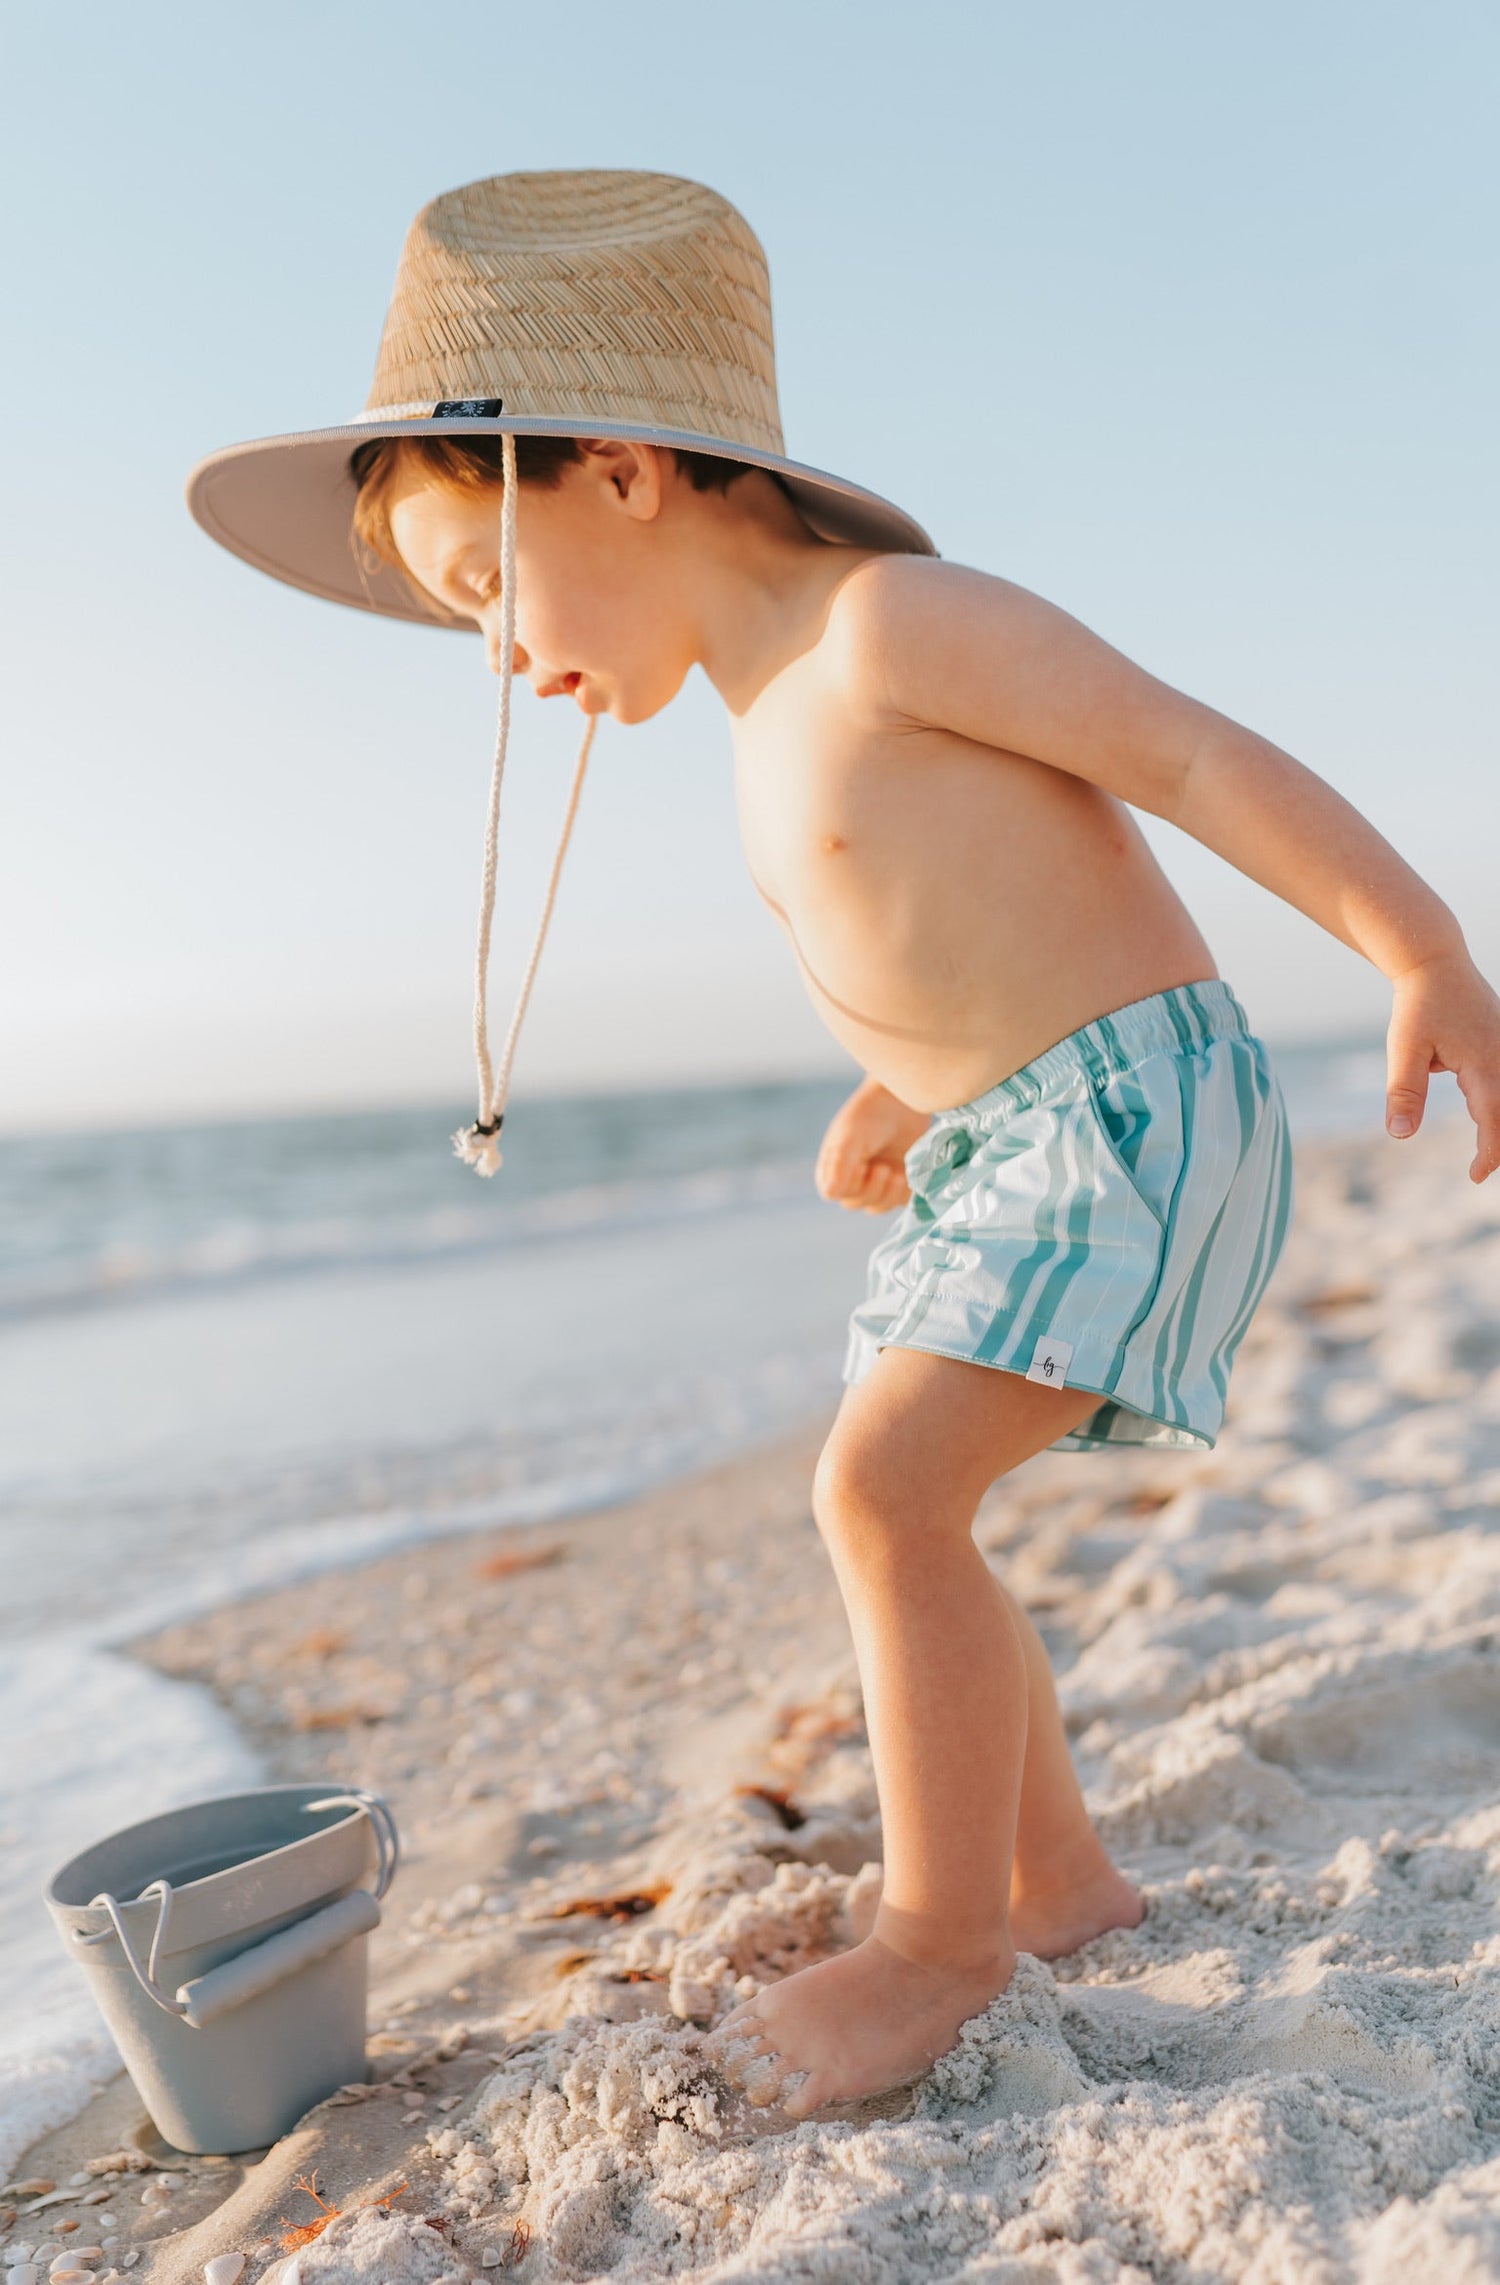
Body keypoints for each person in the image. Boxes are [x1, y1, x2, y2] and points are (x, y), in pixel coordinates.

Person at [189, 170, 1500, 2119]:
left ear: (621, 473)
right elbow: (964, 926)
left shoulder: (889, 625)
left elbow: (1184, 752)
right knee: (908, 1507)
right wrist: (913, 1078)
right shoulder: (769, 713)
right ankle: (1055, 1882)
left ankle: (942, 1945)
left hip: (1130, 1110)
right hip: (1024, 1120)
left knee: (882, 1498)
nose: (496, 656)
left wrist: (1421, 949)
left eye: (485, 587)